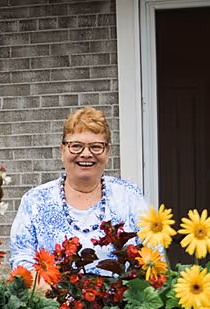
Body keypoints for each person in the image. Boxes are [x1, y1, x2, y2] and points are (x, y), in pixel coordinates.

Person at [9, 106, 150, 272]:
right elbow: (21, 258)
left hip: (122, 297)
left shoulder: (130, 197)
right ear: (62, 151)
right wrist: (47, 292)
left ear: (107, 152)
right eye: (76, 146)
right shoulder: (35, 201)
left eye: (96, 146)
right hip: (51, 296)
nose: (86, 154)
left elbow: (154, 253)